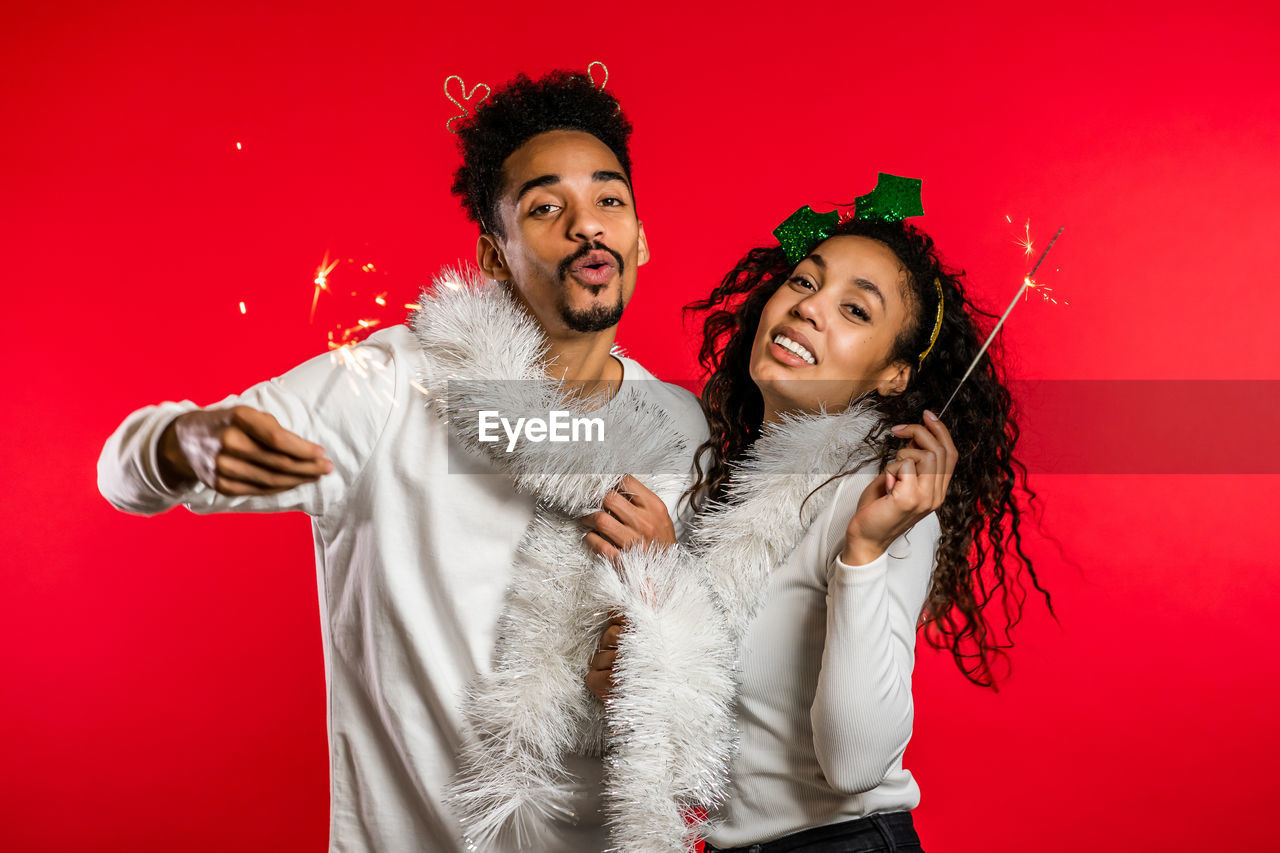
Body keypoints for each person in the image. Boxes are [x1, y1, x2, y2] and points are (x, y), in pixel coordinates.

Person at [97, 69, 710, 853]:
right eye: (547, 208)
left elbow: (700, 684)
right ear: (494, 255)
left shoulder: (679, 423)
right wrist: (177, 445)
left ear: (641, 236)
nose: (588, 226)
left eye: (610, 200)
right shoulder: (391, 386)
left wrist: (659, 624)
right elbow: (121, 476)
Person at [585, 197, 1053, 852]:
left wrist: (862, 550)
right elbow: (713, 717)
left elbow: (855, 765)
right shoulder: (728, 492)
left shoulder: (878, 501)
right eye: (805, 280)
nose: (809, 305)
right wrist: (628, 665)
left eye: (855, 309)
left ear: (894, 374)